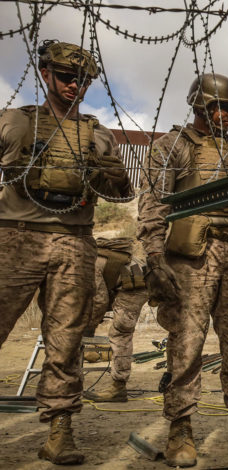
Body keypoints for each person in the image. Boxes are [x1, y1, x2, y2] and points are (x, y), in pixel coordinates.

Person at [0, 40, 133, 464]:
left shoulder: (99, 135)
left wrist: (115, 177)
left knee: (66, 339)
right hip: (17, 235)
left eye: (82, 79)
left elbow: (121, 192)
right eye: (65, 76)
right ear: (45, 74)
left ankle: (60, 430)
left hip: (75, 239)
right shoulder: (16, 123)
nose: (74, 85)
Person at [137, 73, 228, 467]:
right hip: (191, 257)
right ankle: (181, 426)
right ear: (199, 106)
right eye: (220, 106)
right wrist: (154, 257)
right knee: (186, 343)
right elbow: (153, 207)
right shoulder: (171, 147)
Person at [82, 237, 148, 402]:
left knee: (120, 332)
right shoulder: (87, 257)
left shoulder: (87, 262)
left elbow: (99, 300)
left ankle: (118, 387)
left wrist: (89, 327)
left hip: (134, 285)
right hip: (127, 283)